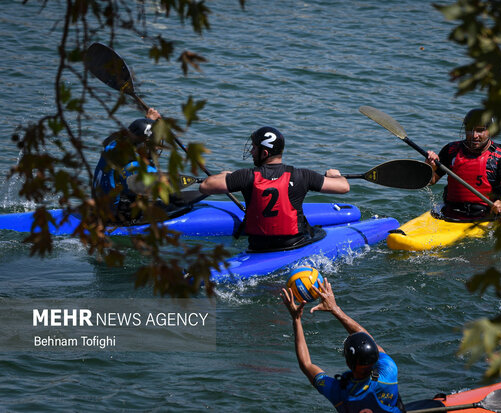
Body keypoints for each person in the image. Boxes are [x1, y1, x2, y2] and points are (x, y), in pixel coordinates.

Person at [199, 126, 349, 251]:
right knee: (317, 230)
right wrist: (334, 175)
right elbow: (344, 187)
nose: (251, 151)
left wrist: (227, 176)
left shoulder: (245, 176)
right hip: (294, 245)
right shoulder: (302, 175)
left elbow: (205, 186)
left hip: (258, 248)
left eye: (254, 148)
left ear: (264, 153)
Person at [281, 278, 404, 413]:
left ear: (348, 362)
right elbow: (370, 341)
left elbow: (306, 365)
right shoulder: (389, 372)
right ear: (375, 357)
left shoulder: (337, 390)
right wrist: (335, 309)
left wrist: (296, 319)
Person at [92, 108, 201, 223]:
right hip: (118, 221)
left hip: (100, 211)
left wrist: (147, 122)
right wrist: (206, 187)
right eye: (155, 145)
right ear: (145, 144)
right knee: (180, 207)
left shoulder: (113, 146)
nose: (158, 148)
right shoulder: (135, 167)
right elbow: (176, 198)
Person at [425, 108, 501, 220]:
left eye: (480, 130)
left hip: (485, 215)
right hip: (450, 213)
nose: (474, 135)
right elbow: (431, 181)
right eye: (470, 130)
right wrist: (431, 168)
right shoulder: (451, 150)